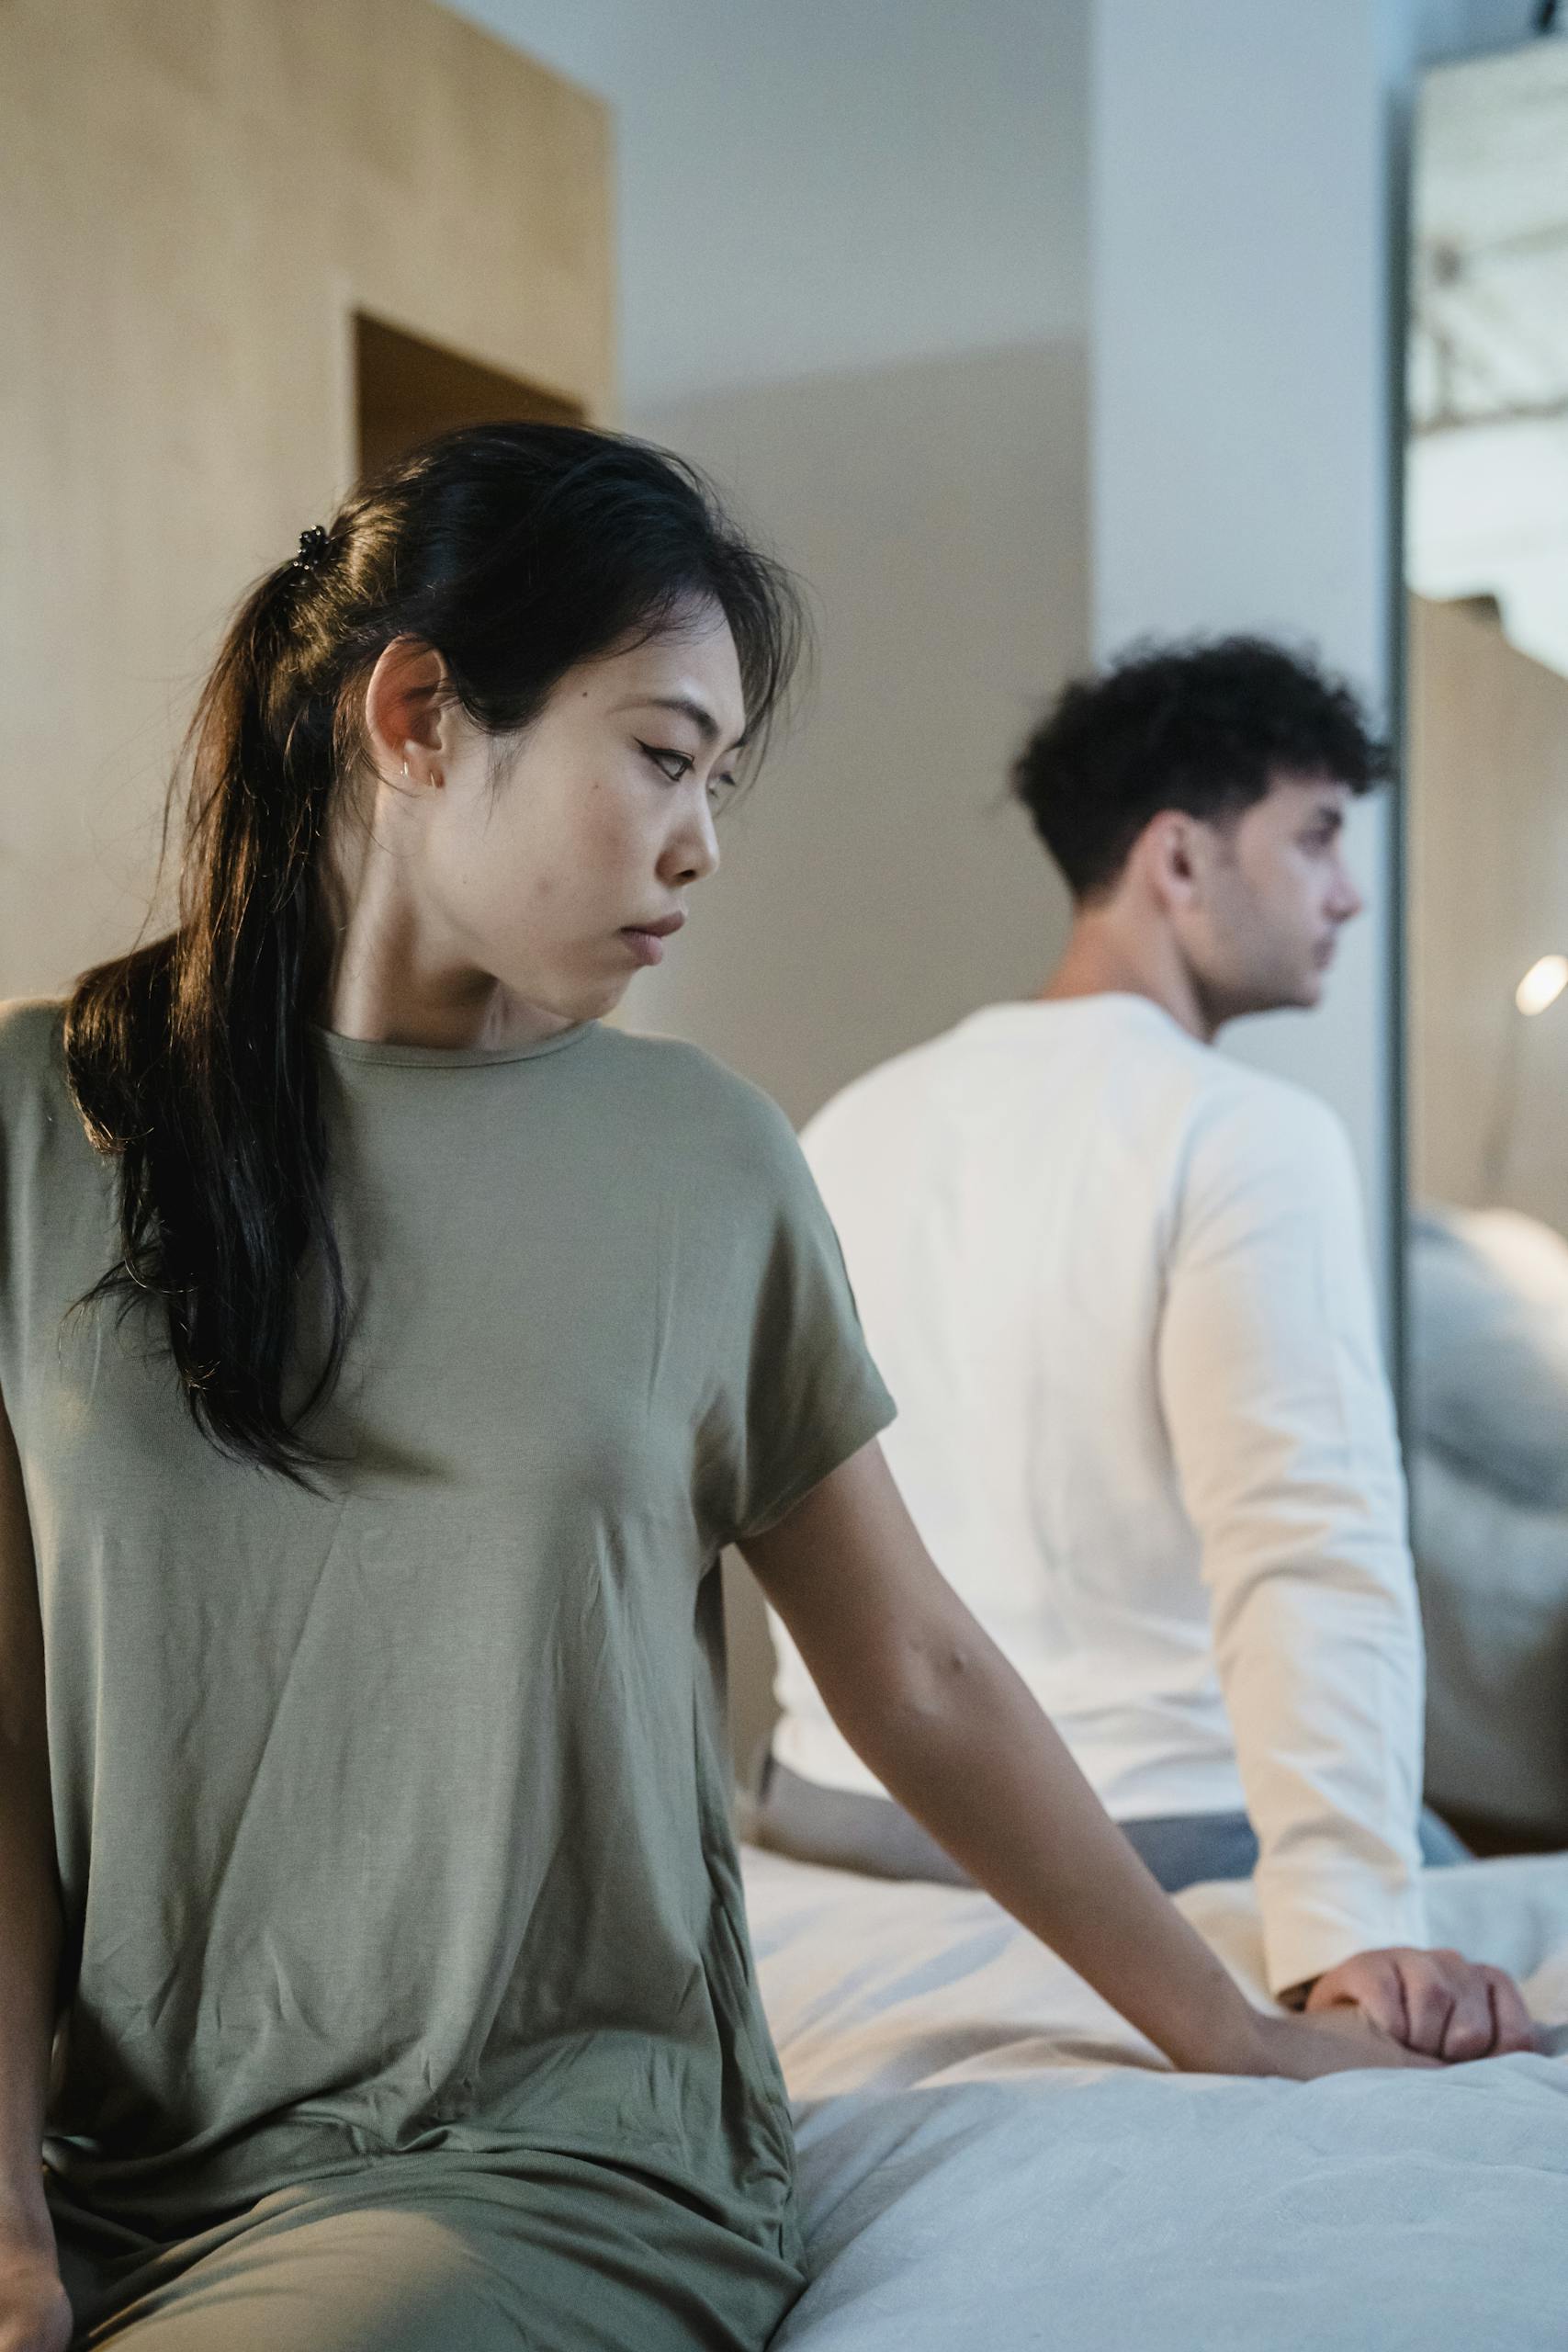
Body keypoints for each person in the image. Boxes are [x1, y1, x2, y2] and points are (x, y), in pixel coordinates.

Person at [0, 452, 1517, 2352]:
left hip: (538, 2152)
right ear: (414, 714)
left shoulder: (706, 1157)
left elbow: (918, 1672)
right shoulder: (46, 1115)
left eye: (719, 780)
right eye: (661, 755)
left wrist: (1229, 2020)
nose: (702, 842)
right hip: (109, 2152)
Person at [757, 636, 1537, 2058]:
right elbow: (1310, 1537)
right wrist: (1348, 1921)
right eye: (1314, 838)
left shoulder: (847, 1124)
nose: (1346, 892)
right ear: (1178, 860)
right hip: (1158, 1828)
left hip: (844, 1805)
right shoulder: (1245, 1136)